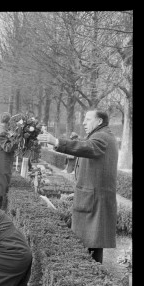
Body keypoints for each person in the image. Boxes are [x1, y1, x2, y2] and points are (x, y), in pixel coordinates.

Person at [37, 109, 117, 264]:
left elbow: (87, 148)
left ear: (99, 121)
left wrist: (57, 142)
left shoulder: (102, 137)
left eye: (88, 119)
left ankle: (91, 283)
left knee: (89, 250)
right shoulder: (103, 135)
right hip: (93, 199)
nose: (84, 122)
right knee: (92, 248)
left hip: (93, 203)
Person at [0, 112, 17, 209]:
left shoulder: (0, 129)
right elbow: (7, 148)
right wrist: (16, 139)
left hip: (0, 161)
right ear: (8, 121)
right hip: (1, 162)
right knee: (0, 186)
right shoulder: (2, 131)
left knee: (0, 185)